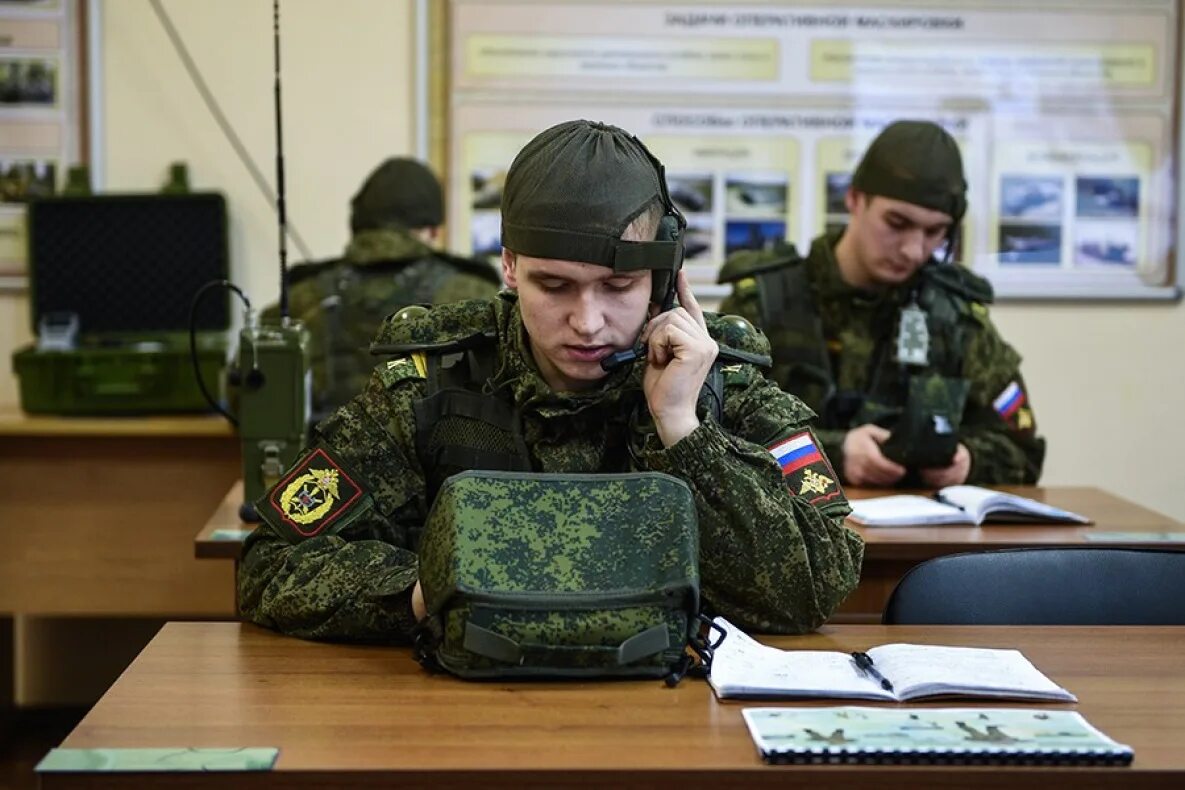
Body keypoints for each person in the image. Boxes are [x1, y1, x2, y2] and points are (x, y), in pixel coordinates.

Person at [238, 119, 863, 643]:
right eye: (553, 286)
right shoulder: (431, 386)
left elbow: (812, 591)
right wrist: (432, 588)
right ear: (509, 266)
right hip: (468, 717)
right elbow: (269, 563)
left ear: (664, 282)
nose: (587, 323)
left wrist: (683, 430)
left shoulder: (720, 382)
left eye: (618, 288)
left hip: (668, 715)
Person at [718, 120, 1045, 488]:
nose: (913, 249)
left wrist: (968, 461)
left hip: (921, 542)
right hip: (792, 538)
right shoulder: (763, 303)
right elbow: (712, 436)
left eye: (934, 232)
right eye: (897, 223)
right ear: (855, 199)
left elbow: (1024, 452)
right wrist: (833, 453)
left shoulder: (956, 319)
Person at [261, 157, 500, 420]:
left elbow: (251, 398)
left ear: (358, 226)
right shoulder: (475, 293)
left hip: (322, 459)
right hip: (440, 460)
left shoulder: (300, 298)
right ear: (432, 231)